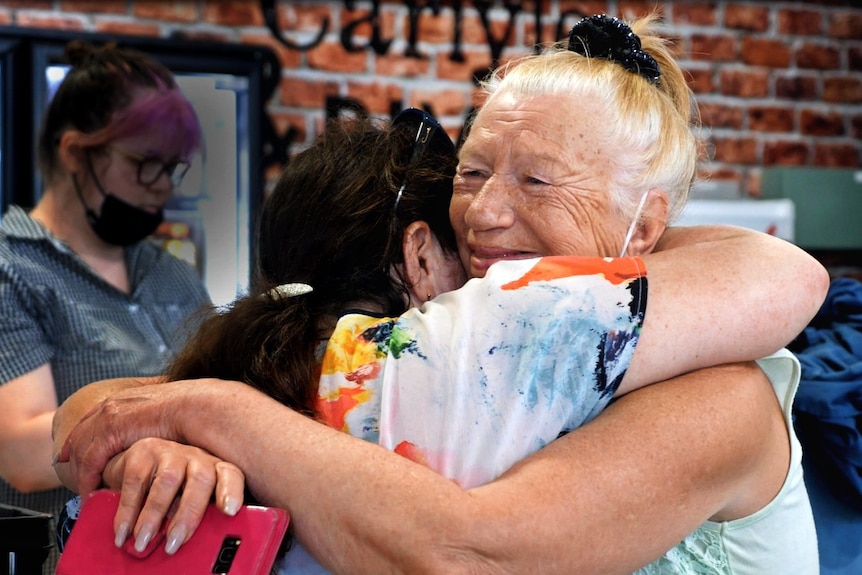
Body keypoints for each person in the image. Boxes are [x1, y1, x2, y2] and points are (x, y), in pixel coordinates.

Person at [54, 14, 828, 574]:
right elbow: (100, 411)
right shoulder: (471, 338)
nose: (485, 214)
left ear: (644, 226)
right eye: (473, 171)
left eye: (537, 180)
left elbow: (474, 554)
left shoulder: (719, 396)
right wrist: (156, 446)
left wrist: (207, 411)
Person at [0, 40, 210, 572]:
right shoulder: (12, 269)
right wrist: (191, 410)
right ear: (75, 151)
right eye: (145, 164)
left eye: (173, 168)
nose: (162, 187)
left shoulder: (173, 275)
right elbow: (22, 452)